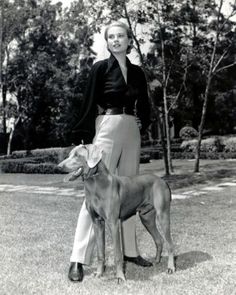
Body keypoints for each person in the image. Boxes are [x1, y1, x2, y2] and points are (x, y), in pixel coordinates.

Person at [68, 21, 152, 282]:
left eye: (121, 36)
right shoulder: (100, 68)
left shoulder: (138, 72)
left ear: (129, 40)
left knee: (128, 192)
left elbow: (145, 103)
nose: (116, 40)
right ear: (107, 41)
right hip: (106, 127)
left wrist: (143, 122)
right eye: (111, 36)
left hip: (131, 132)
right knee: (94, 195)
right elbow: (88, 101)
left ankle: (129, 252)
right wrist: (82, 139)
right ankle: (78, 259)